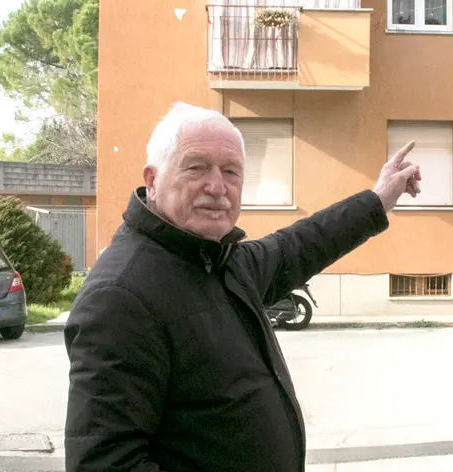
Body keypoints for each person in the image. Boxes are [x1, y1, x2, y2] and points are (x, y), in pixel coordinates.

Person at [63, 101, 422, 472]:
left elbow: (298, 246)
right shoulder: (119, 297)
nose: (217, 187)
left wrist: (377, 201)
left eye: (231, 171)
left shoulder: (218, 260)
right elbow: (105, 463)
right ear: (153, 180)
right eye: (197, 167)